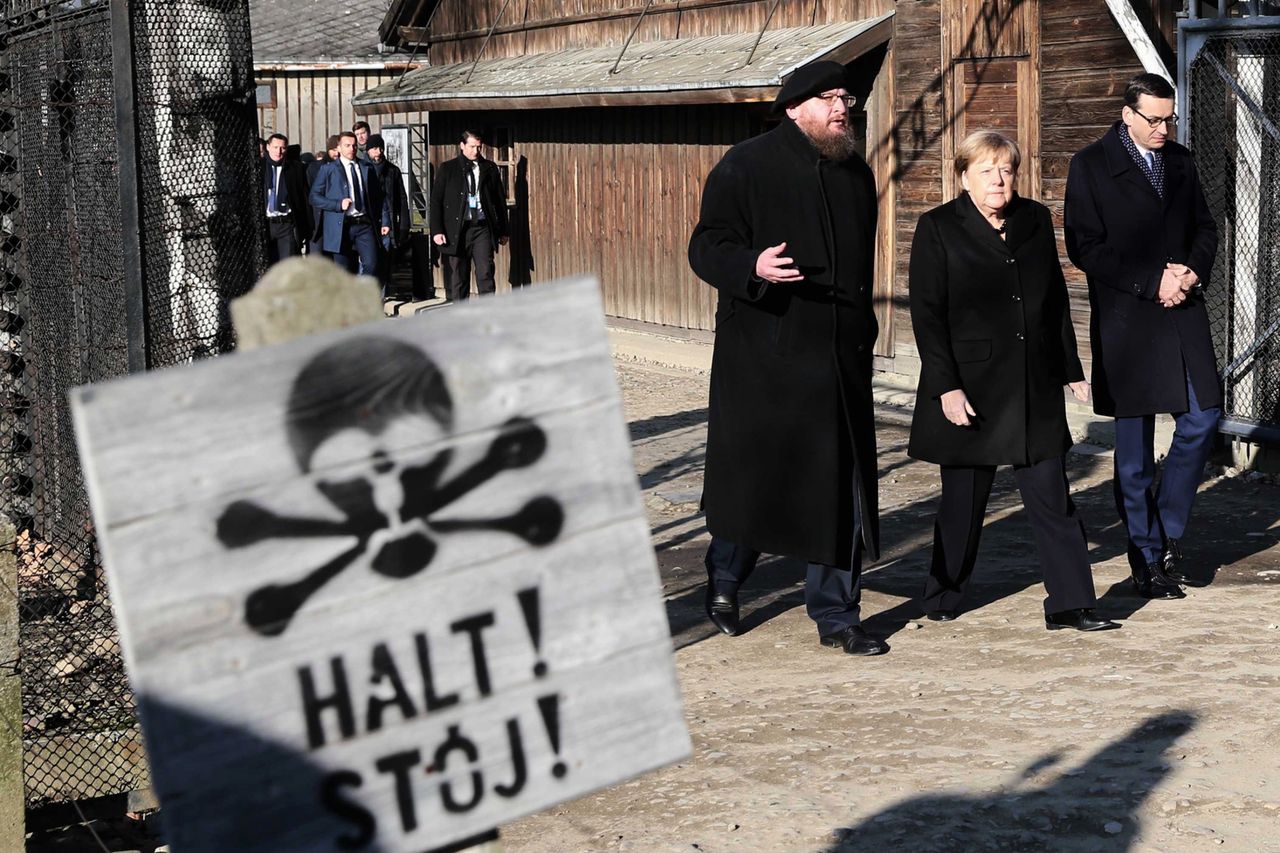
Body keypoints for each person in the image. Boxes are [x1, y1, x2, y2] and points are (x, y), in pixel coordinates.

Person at [687, 60, 885, 656]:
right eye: (828, 99)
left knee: (840, 487)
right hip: (765, 357)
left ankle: (837, 613)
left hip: (838, 358)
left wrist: (863, 332)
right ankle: (725, 581)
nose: (841, 108)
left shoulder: (854, 173)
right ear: (795, 106)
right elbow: (706, 246)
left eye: (845, 97)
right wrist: (752, 266)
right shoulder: (745, 165)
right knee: (756, 482)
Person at [907, 130, 1120, 632]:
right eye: (986, 170)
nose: (999, 180)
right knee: (963, 505)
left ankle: (1072, 603)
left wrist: (1070, 369)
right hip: (971, 387)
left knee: (1052, 495)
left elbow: (1052, 301)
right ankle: (943, 593)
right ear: (963, 176)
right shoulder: (937, 227)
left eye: (1006, 169)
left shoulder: (1035, 219)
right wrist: (946, 387)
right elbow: (927, 315)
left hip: (1031, 384)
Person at [1065, 73, 1220, 599]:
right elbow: (1085, 246)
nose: (1163, 127)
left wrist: (1190, 274)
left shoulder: (1180, 161)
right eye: (1153, 118)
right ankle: (1144, 556)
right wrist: (1152, 281)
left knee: (1203, 417)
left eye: (1169, 117)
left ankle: (1167, 533)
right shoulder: (1090, 164)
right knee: (1133, 454)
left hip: (1183, 310)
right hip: (1128, 320)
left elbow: (1206, 227)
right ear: (1127, 114)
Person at [430, 130, 509, 301]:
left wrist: (503, 230)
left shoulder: (489, 168)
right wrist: (437, 231)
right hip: (458, 229)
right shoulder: (448, 169)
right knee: (459, 275)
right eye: (472, 147)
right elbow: (436, 201)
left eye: (478, 147)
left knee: (485, 271)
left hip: (482, 228)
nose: (475, 151)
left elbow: (499, 202)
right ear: (462, 146)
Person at [308, 131, 391, 275]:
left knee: (372, 264)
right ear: (338, 148)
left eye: (354, 146)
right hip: (341, 225)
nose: (351, 149)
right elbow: (314, 197)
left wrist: (385, 221)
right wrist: (337, 204)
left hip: (364, 224)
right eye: (347, 145)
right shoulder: (328, 170)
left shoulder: (366, 167)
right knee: (344, 270)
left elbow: (379, 196)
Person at [366, 134, 412, 299]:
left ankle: (379, 299)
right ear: (368, 150)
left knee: (384, 262)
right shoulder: (363, 168)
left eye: (379, 148)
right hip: (367, 224)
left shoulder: (392, 170)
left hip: (389, 223)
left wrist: (405, 225)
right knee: (368, 262)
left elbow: (401, 199)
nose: (377, 152)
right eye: (373, 148)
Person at [261, 133, 312, 265]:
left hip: (286, 224)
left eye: (282, 148)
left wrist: (304, 227)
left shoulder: (295, 168)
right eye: (275, 147)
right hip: (265, 224)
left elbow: (303, 198)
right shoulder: (259, 168)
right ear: (268, 147)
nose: (279, 151)